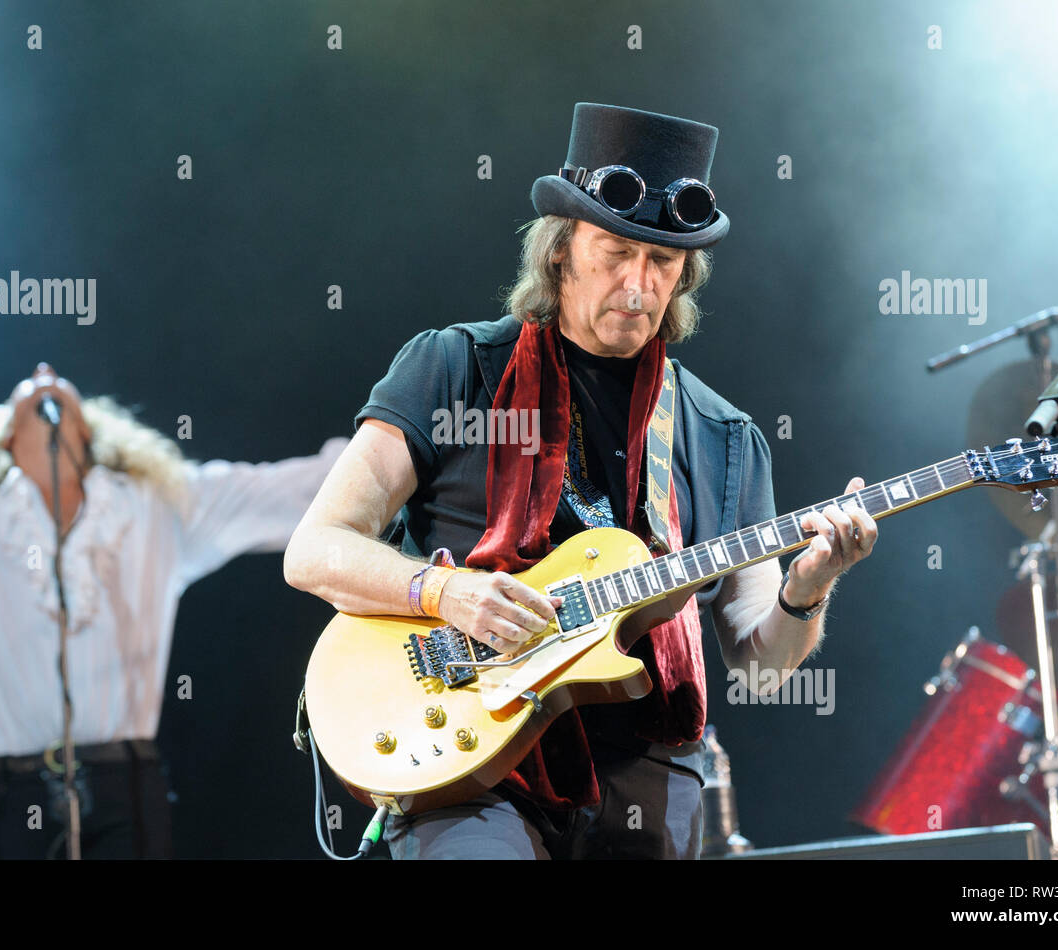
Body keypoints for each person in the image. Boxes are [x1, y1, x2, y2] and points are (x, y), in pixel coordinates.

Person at [284, 103, 878, 860]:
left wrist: (812, 584)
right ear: (561, 251)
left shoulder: (723, 436)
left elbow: (762, 665)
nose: (638, 284)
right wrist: (446, 592)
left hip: (646, 779)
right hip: (471, 762)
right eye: (615, 252)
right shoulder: (455, 367)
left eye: (662, 264)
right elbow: (314, 550)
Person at [0, 363, 346, 858]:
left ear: (91, 430)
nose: (44, 374)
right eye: (31, 384)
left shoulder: (159, 505)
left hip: (125, 785)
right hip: (10, 795)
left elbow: (295, 490)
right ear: (5, 437)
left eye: (57, 382)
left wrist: (391, 451)